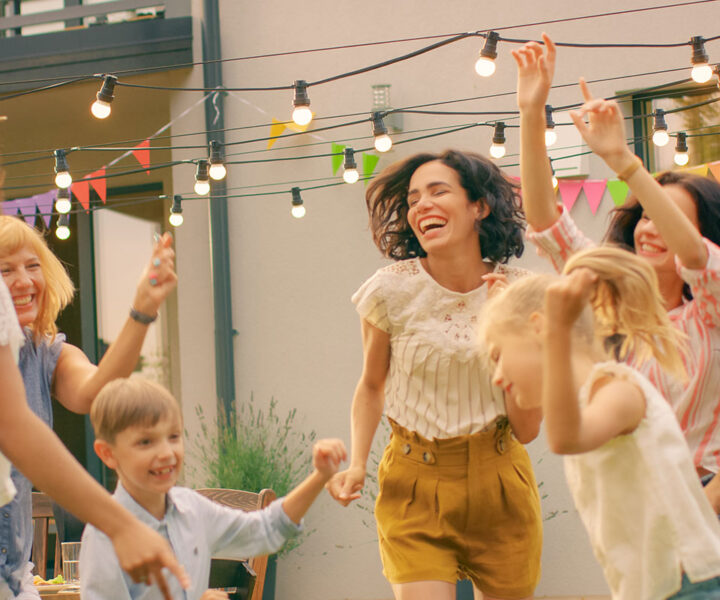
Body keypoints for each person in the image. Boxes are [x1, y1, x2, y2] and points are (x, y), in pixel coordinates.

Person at [513, 34, 720, 510]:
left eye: (668, 218)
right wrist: (530, 111)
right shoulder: (612, 298)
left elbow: (697, 260)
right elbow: (547, 221)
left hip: (707, 498)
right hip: (633, 501)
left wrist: (625, 163)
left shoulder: (709, 310)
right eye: (645, 214)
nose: (650, 228)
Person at [326, 150, 543, 600]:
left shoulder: (521, 293)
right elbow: (371, 384)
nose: (421, 205)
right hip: (414, 484)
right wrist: (357, 464)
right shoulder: (390, 288)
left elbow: (527, 429)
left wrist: (515, 335)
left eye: (438, 191)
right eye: (413, 198)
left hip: (500, 482)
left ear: (478, 207)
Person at [481, 245, 720, 600]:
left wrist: (557, 331)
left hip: (687, 582)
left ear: (539, 329)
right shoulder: (589, 399)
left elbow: (565, 438)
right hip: (653, 587)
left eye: (499, 355)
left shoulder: (620, 390)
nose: (497, 377)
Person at [0, 215, 178, 598]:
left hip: (15, 576)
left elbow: (95, 391)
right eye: (6, 270)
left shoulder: (42, 351)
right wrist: (121, 525)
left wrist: (142, 310)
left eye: (33, 266)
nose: (24, 281)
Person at [79, 376, 347, 600]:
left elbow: (265, 529)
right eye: (146, 442)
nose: (166, 453)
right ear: (108, 454)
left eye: (173, 436)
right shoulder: (104, 536)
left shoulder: (192, 509)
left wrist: (319, 476)